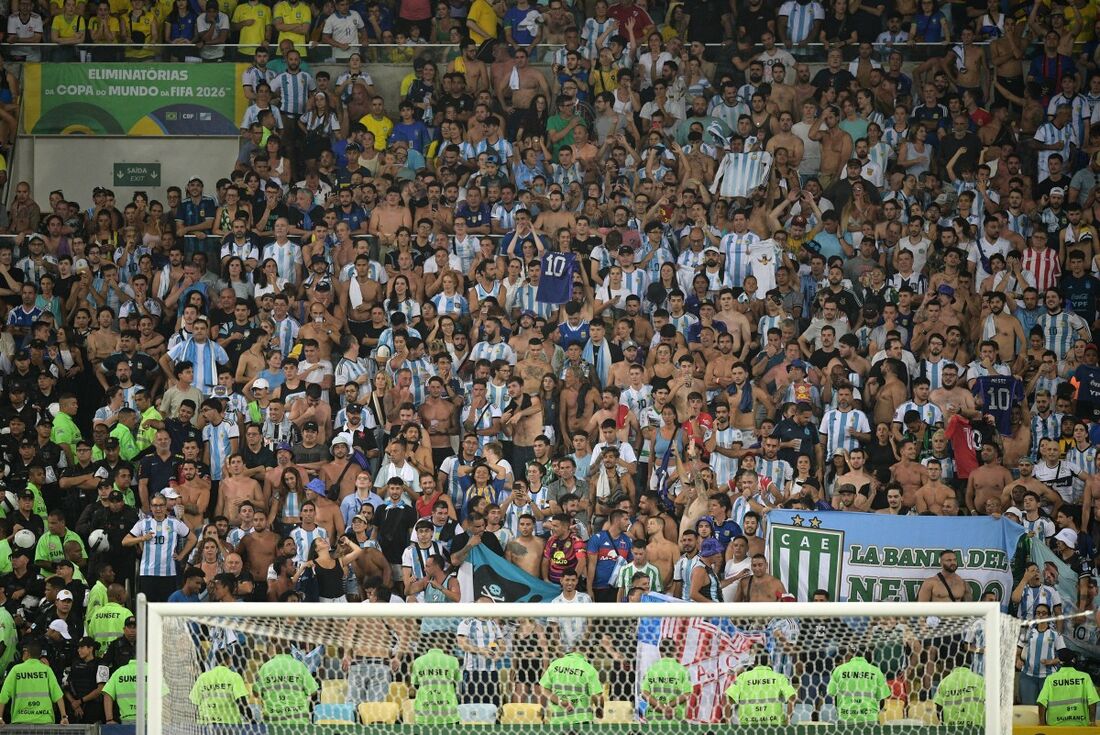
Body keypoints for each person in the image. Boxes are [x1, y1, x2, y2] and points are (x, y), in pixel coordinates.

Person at [0, 640, 68, 725]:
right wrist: (64, 717)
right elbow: (58, 695)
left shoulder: (16, 670)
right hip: (44, 722)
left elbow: (3, 695)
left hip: (21, 722)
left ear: (27, 653)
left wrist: (0, 717)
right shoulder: (46, 670)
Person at [724, 651, 797, 725]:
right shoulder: (780, 678)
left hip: (747, 728)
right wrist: (787, 721)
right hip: (775, 728)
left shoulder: (743, 678)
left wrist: (728, 722)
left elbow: (727, 699)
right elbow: (792, 697)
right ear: (770, 662)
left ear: (754, 663)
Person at [254, 646, 319, 724]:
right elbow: (313, 691)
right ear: (291, 651)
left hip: (272, 722)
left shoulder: (265, 667)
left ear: (275, 649)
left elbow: (256, 693)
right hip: (298, 722)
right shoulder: (300, 666)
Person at [539, 649, 603, 724]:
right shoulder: (588, 668)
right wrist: (599, 709)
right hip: (582, 720)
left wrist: (560, 701)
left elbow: (543, 689)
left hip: (557, 720)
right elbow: (597, 695)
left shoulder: (555, 664)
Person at [1036, 649, 1098, 726]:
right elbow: (1092, 701)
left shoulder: (1051, 679)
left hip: (1055, 728)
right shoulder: (1085, 677)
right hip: (1080, 728)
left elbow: (1042, 702)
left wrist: (1042, 724)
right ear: (1074, 660)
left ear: (1060, 661)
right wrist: (1092, 722)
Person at [827, 650, 890, 724]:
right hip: (869, 718)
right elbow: (882, 699)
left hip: (846, 717)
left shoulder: (839, 670)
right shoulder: (876, 671)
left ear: (851, 656)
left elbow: (831, 692)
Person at [188, 653, 252, 725]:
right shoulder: (234, 677)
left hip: (205, 724)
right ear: (229, 661)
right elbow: (241, 702)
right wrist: (252, 720)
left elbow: (193, 703)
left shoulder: (202, 677)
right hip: (228, 724)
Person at [640, 641, 693, 721]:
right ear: (675, 650)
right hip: (675, 718)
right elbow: (687, 694)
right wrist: (669, 707)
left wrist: (662, 708)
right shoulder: (682, 670)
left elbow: (644, 693)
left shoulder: (651, 670)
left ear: (660, 651)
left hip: (653, 719)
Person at [410, 646, 462, 725]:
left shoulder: (417, 661)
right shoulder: (453, 661)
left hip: (424, 714)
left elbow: (415, 684)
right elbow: (459, 682)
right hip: (449, 715)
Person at [933, 651, 985, 726]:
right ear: (971, 662)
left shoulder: (944, 682)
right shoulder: (980, 680)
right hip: (977, 730)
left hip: (952, 730)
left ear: (953, 663)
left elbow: (938, 711)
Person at [102, 658, 138, 723]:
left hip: (126, 721)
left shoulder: (119, 671)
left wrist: (109, 720)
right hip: (150, 721)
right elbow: (162, 696)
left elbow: (107, 694)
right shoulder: (153, 671)